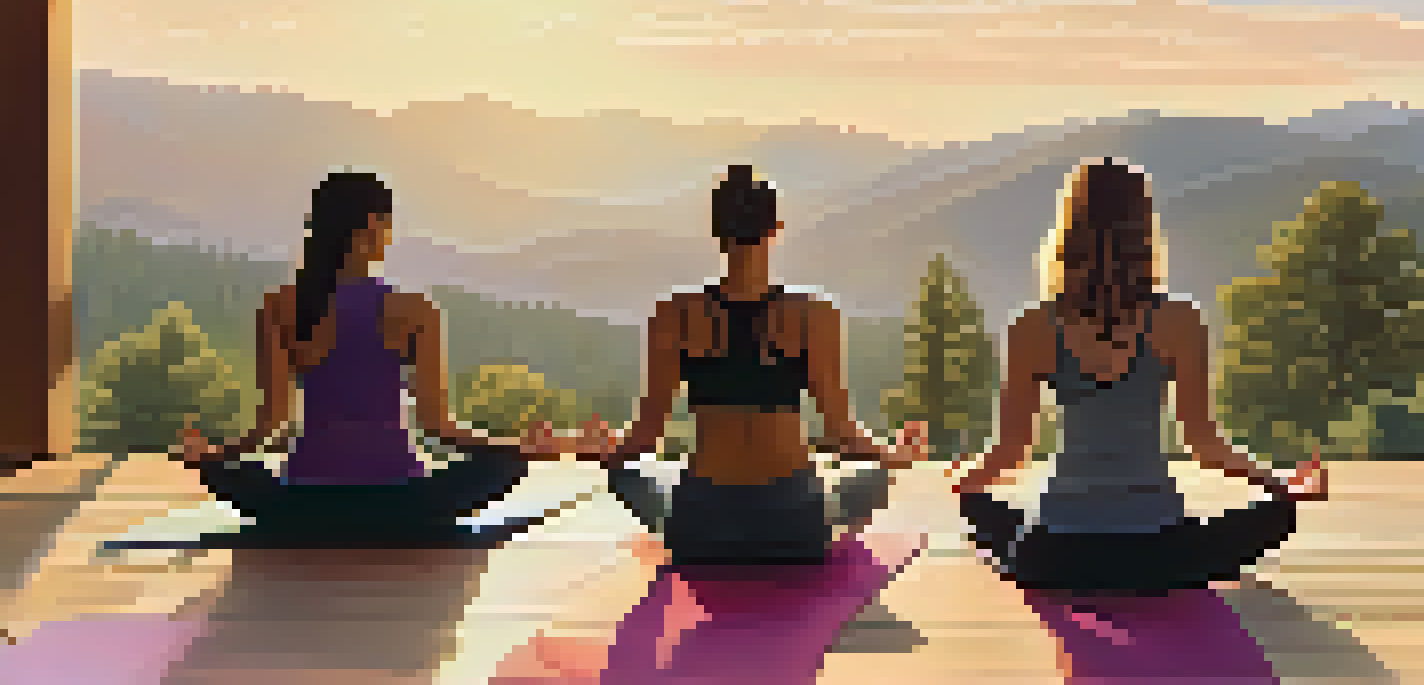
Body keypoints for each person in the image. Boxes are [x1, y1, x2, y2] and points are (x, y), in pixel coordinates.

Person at [951, 157, 1327, 595]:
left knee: (978, 505)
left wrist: (965, 481)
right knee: (1278, 512)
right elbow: (1203, 445)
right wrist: (1282, 483)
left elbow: (1012, 453)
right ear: (1144, 230)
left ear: (1068, 229)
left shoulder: (1031, 326)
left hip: (1054, 557)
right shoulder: (1180, 320)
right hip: (1162, 554)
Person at [175, 170, 602, 541]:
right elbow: (440, 428)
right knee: (496, 469)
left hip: (302, 504)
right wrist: (519, 448)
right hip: (405, 507)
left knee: (237, 478)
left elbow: (268, 426)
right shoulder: (414, 310)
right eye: (388, 226)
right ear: (373, 227)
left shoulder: (281, 307)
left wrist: (211, 455)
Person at [582, 164, 927, 564]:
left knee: (627, 476)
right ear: (775, 227)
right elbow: (843, 432)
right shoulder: (812, 315)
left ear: (716, 230)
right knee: (873, 478)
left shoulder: (675, 314)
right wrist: (892, 455)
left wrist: (604, 451)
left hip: (702, 527)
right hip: (796, 525)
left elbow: (646, 436)